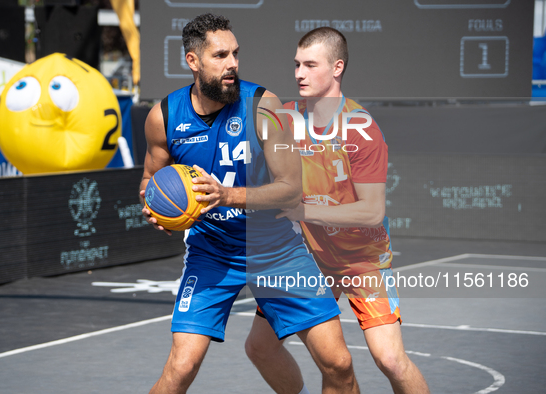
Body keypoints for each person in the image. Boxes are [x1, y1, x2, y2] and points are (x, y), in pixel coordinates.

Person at [140, 14, 360, 394]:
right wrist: (154, 206)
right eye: (221, 55)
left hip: (275, 248)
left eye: (236, 54)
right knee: (181, 365)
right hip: (212, 252)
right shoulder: (164, 117)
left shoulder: (262, 105)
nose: (232, 64)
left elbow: (292, 189)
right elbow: (149, 180)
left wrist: (227, 196)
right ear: (193, 62)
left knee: (338, 364)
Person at [245, 27, 430, 394]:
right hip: (308, 260)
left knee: (390, 359)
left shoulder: (361, 130)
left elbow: (371, 212)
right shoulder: (286, 119)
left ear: (337, 68)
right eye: (297, 64)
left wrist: (303, 211)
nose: (299, 73)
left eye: (310, 65)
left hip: (362, 261)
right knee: (260, 348)